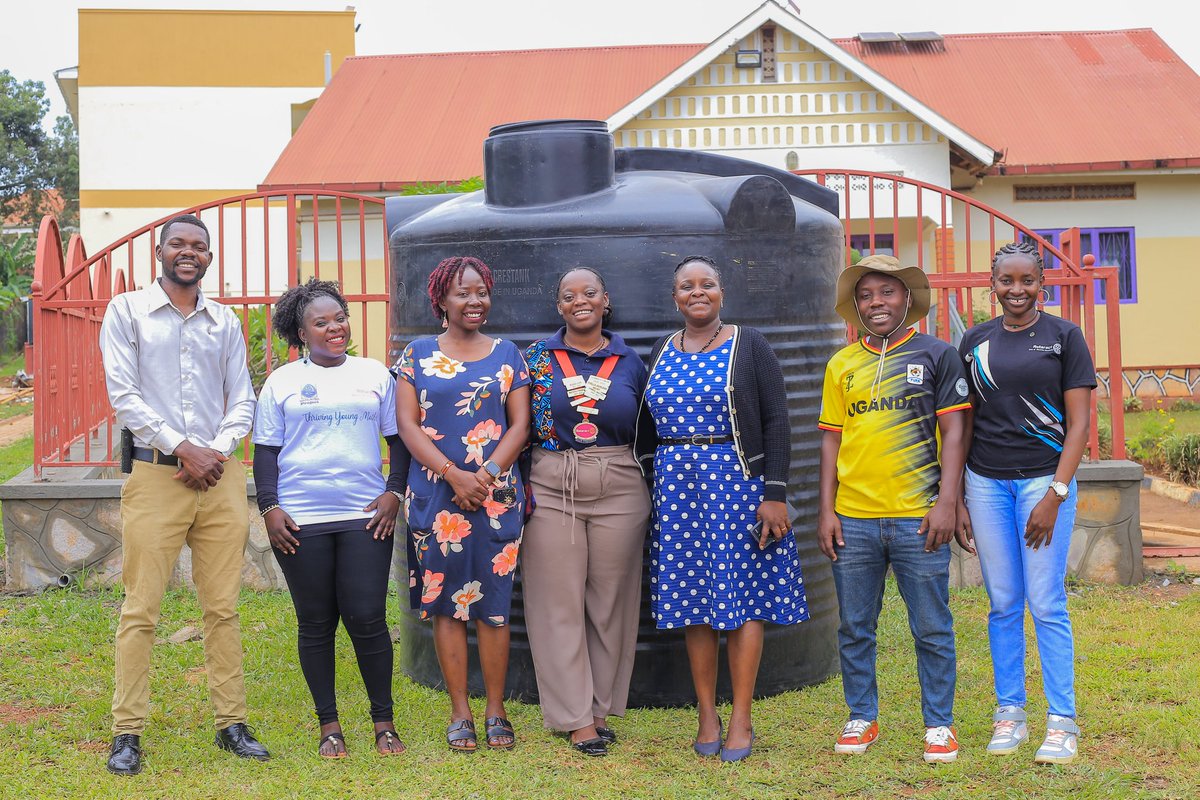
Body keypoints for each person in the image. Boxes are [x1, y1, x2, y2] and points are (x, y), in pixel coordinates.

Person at [98, 213, 267, 775]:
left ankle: (232, 723)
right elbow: (124, 395)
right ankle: (127, 733)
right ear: (160, 252)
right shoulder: (126, 312)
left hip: (218, 480)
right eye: (178, 244)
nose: (188, 252)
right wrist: (182, 448)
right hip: (155, 477)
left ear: (209, 258)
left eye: (198, 246)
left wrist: (212, 451)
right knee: (140, 609)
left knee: (222, 608)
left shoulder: (224, 322)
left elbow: (242, 397)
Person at [639, 255, 809, 763]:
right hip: (678, 490)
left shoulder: (748, 343)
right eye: (687, 286)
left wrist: (774, 494)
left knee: (743, 601)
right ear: (674, 297)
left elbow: (777, 420)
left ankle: (740, 718)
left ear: (722, 292)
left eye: (707, 284)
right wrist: (653, 477)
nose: (698, 292)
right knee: (694, 601)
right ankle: (707, 713)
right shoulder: (661, 349)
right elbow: (646, 426)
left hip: (737, 487)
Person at [816, 254, 971, 764]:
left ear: (907, 298)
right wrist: (826, 510)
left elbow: (954, 433)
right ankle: (862, 715)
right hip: (854, 519)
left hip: (918, 516)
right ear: (855, 306)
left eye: (886, 292)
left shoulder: (937, 354)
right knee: (855, 626)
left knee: (930, 625)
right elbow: (830, 443)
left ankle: (939, 726)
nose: (875, 303)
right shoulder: (842, 364)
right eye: (865, 295)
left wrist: (948, 501)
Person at [252, 278, 406, 758]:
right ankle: (330, 726)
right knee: (315, 622)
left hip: (365, 516)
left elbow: (398, 442)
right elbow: (265, 452)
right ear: (301, 333)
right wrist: (270, 507)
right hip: (301, 519)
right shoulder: (282, 382)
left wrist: (394, 493)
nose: (335, 327)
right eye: (321, 322)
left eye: (339, 318)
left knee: (367, 617)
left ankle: (384, 723)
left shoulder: (375, 374)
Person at [958, 240, 1095, 764]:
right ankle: (1009, 714)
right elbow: (965, 420)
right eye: (1006, 281)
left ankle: (1062, 723)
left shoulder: (1065, 337)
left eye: (1027, 281)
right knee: (1003, 603)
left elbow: (1079, 423)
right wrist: (964, 497)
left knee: (1046, 602)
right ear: (992, 285)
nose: (1017, 291)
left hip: (1044, 483)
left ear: (1043, 283)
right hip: (986, 484)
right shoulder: (974, 341)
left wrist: (1056, 494)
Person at [394, 256, 531, 753]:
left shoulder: (508, 354)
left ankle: (496, 709)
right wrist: (454, 475)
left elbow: (520, 426)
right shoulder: (416, 354)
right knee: (448, 606)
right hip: (437, 497)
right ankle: (460, 711)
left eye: (481, 291)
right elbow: (408, 426)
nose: (474, 301)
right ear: (441, 300)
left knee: (494, 606)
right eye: (462, 293)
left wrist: (487, 474)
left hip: (494, 498)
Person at [522, 267, 652, 757]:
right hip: (554, 482)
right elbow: (516, 423)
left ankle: (599, 708)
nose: (580, 300)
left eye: (590, 292)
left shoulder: (629, 360)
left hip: (619, 483)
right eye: (568, 295)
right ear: (559, 307)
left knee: (611, 603)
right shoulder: (535, 358)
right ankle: (574, 718)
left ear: (605, 300)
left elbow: (647, 426)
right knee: (557, 602)